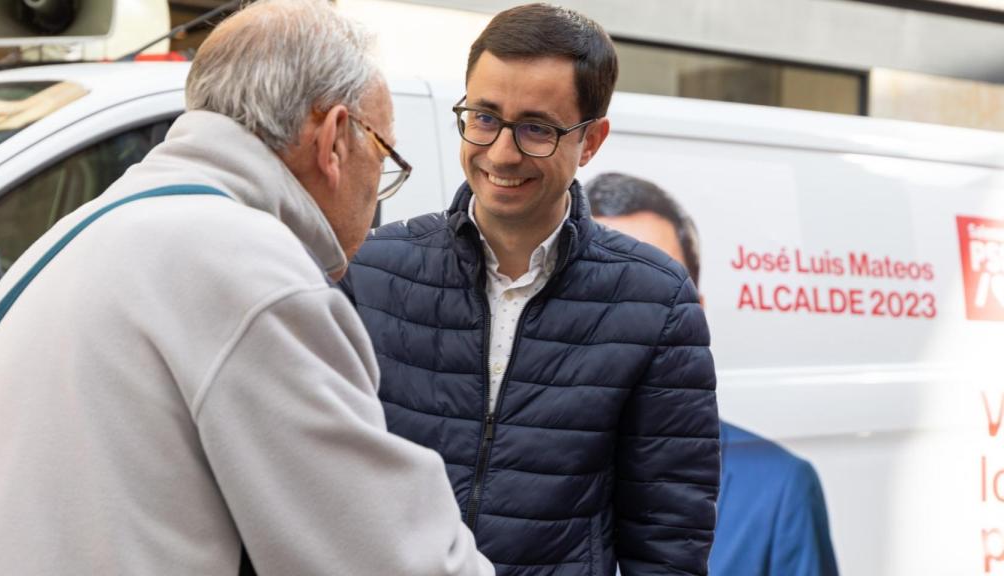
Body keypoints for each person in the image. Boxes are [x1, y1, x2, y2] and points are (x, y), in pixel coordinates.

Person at [0, 1, 493, 575]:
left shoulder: (85, 228)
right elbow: (390, 559)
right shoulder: (249, 268)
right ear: (333, 139)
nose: (379, 187)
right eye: (385, 155)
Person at [339, 4, 720, 575]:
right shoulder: (370, 271)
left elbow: (668, 538)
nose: (501, 153)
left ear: (591, 141)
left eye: (537, 128)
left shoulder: (657, 302)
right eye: (485, 117)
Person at [586, 171, 840, 576]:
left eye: (656, 290)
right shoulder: (503, 472)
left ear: (695, 315)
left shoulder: (775, 489)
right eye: (598, 289)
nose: (624, 319)